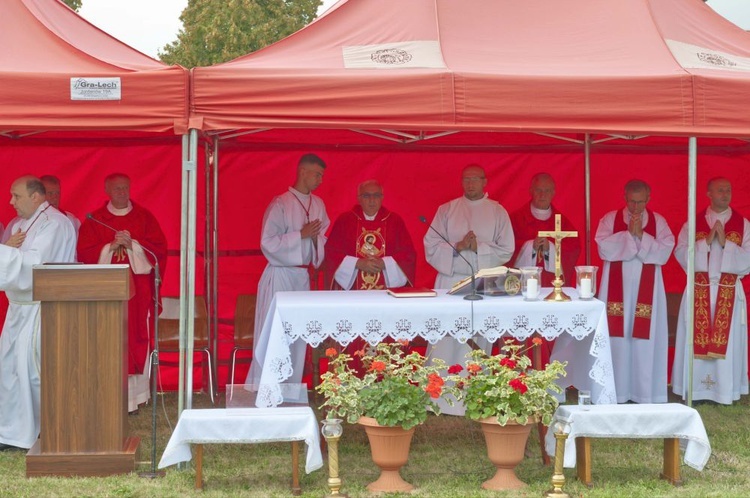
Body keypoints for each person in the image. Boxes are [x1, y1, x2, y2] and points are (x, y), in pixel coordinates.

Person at [423, 164, 514, 414]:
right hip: (449, 282)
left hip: (480, 283)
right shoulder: (447, 210)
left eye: (475, 179)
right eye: (466, 179)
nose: (470, 184)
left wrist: (478, 249)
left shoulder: (497, 212)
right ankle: (437, 397)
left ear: (485, 181)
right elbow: (430, 245)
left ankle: (472, 397)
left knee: (474, 340)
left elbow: (507, 249)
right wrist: (457, 246)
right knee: (444, 339)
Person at [77, 173, 168, 413]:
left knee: (135, 340)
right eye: (116, 188)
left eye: (125, 187)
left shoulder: (144, 217)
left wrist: (133, 246)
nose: (121, 192)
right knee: (106, 339)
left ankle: (134, 399)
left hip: (137, 295)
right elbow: (84, 252)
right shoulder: (95, 220)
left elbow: (159, 251)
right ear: (107, 190)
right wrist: (109, 247)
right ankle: (106, 395)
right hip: (106, 293)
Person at [0, 176, 76, 451]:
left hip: (40, 308)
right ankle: (11, 432)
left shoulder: (53, 224)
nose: (11, 202)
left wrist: (2, 253)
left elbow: (34, 266)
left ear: (36, 197)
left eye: (16, 196)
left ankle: (35, 431)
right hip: (18, 308)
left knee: (31, 372)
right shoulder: (20, 224)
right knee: (10, 370)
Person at [247, 154, 330, 385]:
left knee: (297, 334)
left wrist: (313, 240)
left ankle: (292, 387)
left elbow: (322, 238)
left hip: (301, 277)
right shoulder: (281, 203)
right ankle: (268, 385)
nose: (320, 180)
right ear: (302, 172)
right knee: (275, 332)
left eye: (322, 175)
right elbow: (267, 242)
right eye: (317, 174)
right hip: (280, 275)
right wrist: (300, 235)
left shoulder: (319, 204)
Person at [595, 179, 674, 404]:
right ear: (625, 197)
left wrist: (641, 237)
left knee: (644, 339)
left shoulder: (659, 222)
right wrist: (628, 236)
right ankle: (615, 392)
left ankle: (644, 393)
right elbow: (603, 248)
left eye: (640, 202)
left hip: (648, 288)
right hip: (615, 288)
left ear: (648, 199)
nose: (636, 207)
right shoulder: (610, 219)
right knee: (616, 338)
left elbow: (666, 252)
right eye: (632, 202)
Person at [672, 177, 750, 405]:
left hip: (728, 291)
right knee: (694, 338)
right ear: (708, 193)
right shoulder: (692, 224)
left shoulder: (743, 224)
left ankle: (724, 391)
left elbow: (747, 260)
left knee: (728, 341)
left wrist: (726, 243)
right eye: (720, 190)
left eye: (728, 190)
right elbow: (680, 255)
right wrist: (706, 241)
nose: (725, 194)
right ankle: (695, 390)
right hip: (699, 289)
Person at [510, 172, 580, 366]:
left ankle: (551, 374)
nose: (542, 194)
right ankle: (521, 372)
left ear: (554, 193)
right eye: (539, 190)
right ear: (531, 191)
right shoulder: (516, 219)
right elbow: (506, 249)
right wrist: (528, 247)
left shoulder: (562, 222)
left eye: (547, 191)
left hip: (551, 288)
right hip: (522, 289)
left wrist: (551, 246)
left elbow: (573, 248)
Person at [325, 179, 416, 291]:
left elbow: (407, 255)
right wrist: (357, 263)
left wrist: (384, 263)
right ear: (359, 198)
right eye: (366, 196)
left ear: (382, 198)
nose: (372, 200)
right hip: (353, 292)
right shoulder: (345, 221)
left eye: (376, 195)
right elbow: (332, 254)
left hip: (386, 292)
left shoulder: (394, 221)